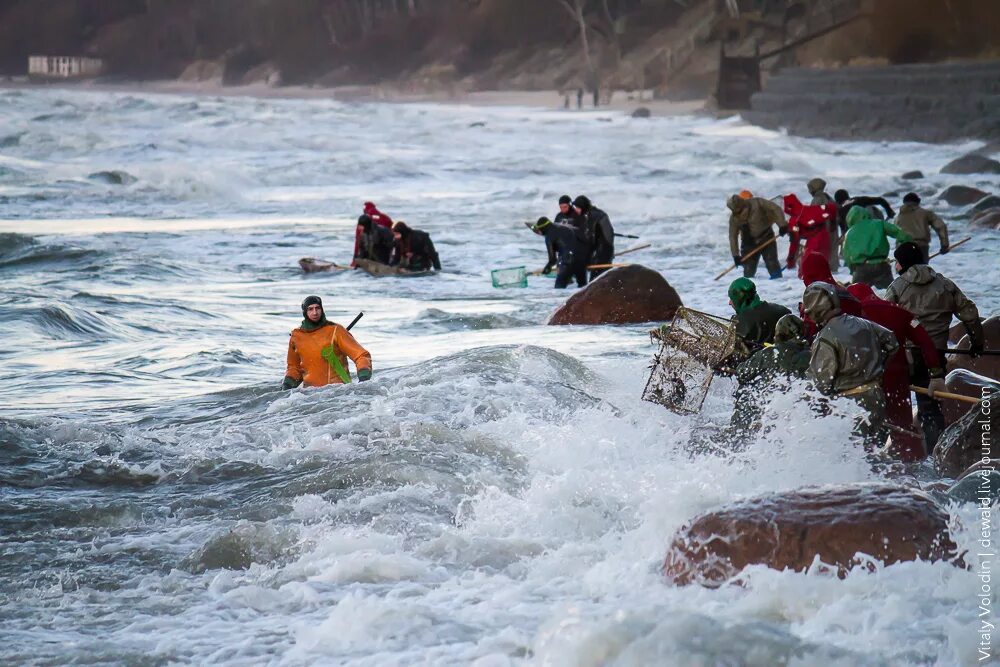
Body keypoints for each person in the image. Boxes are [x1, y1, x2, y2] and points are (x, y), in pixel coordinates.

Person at [884, 241, 984, 451]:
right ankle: (936, 455)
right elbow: (970, 313)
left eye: (896, 262)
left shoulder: (897, 287)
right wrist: (977, 343)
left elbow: (887, 322)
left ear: (901, 264)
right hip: (936, 357)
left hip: (906, 357)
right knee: (930, 409)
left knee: (895, 405)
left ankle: (898, 453)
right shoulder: (945, 284)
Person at [846, 282, 943, 461]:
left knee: (864, 432)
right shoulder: (901, 312)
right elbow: (926, 343)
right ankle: (912, 471)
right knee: (902, 429)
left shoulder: (852, 315)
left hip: (864, 382)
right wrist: (936, 375)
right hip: (898, 380)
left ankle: (866, 473)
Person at [802, 282, 899, 448]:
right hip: (876, 397)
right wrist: (878, 366)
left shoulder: (825, 338)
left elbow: (820, 383)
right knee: (875, 451)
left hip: (850, 404)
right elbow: (892, 343)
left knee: (853, 454)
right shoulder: (863, 323)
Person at [730, 314, 812, 434]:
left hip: (769, 407)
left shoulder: (769, 353)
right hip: (799, 409)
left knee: (746, 391)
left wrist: (750, 358)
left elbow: (742, 373)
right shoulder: (811, 356)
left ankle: (738, 432)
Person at [283, 295, 372, 389]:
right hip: (309, 396)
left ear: (322, 309)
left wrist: (363, 379)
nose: (315, 312)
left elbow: (361, 356)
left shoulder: (336, 331)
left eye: (318, 308)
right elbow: (294, 369)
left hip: (338, 393)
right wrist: (285, 387)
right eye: (310, 309)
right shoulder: (296, 337)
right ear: (305, 312)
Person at [842, 205, 911, 288]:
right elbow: (900, 234)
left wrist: (852, 270)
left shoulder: (849, 233)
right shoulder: (879, 223)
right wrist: (906, 248)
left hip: (862, 268)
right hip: (881, 265)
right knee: (890, 294)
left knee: (857, 296)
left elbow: (847, 255)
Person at [799, 251, 863, 337]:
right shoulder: (845, 293)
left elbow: (810, 335)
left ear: (810, 276)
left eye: (805, 277)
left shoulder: (817, 300)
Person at [727, 193, 788, 279]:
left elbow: (776, 209)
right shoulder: (734, 219)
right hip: (748, 244)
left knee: (772, 263)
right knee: (748, 270)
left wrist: (782, 225)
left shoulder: (758, 203)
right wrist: (735, 255)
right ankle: (747, 289)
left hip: (766, 237)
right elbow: (732, 236)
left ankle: (779, 284)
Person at [728, 277, 792, 351]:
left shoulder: (739, 323)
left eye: (731, 299)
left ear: (739, 299)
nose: (729, 303)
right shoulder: (783, 311)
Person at [783, 193, 835, 275]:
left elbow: (794, 242)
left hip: (814, 241)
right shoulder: (811, 209)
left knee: (805, 271)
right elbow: (831, 208)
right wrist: (833, 222)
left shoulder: (794, 221)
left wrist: (791, 259)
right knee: (822, 266)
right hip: (825, 238)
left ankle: (809, 286)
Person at [530, 216, 589, 288]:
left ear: (543, 229)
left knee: (559, 287)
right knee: (583, 288)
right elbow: (584, 240)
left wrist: (547, 269)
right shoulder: (565, 227)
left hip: (568, 262)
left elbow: (552, 260)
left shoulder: (549, 237)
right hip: (582, 259)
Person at [893, 192, 950, 262]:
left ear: (904, 202)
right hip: (921, 247)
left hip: (902, 248)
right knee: (921, 271)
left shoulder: (898, 217)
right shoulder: (926, 213)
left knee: (905, 272)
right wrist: (944, 245)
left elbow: (895, 233)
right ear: (918, 201)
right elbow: (941, 226)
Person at [572, 195, 614, 281]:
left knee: (594, 282)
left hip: (602, 253)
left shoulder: (592, 217)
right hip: (609, 250)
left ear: (582, 207)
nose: (576, 210)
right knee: (604, 280)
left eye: (577, 207)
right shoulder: (599, 213)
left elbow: (591, 241)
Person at [806, 178, 840, 270]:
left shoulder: (817, 199)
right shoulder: (830, 198)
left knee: (820, 252)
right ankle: (834, 272)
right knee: (832, 252)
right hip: (833, 230)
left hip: (822, 231)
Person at [352, 202, 394, 266]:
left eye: (360, 226)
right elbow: (390, 223)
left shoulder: (379, 231)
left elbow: (357, 245)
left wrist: (354, 261)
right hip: (381, 255)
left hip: (381, 256)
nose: (359, 228)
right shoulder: (383, 217)